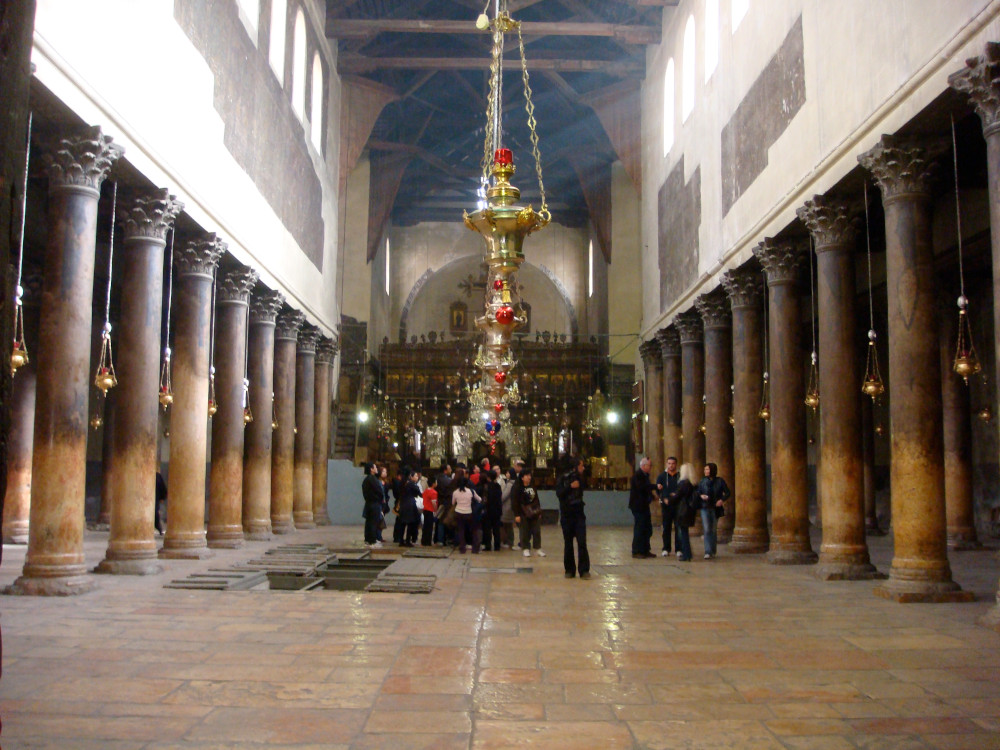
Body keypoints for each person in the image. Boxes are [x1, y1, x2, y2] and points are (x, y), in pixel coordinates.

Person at [556, 457, 590, 578]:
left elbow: (583, 487)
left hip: (579, 515)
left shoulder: (580, 478)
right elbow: (559, 494)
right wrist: (570, 486)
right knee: (568, 543)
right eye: (581, 466)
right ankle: (569, 570)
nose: (583, 468)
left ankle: (584, 569)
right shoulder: (563, 478)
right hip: (567, 515)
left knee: (582, 542)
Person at [697, 462, 731, 559]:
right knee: (707, 529)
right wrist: (701, 496)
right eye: (705, 470)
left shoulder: (720, 481)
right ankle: (707, 551)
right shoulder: (703, 481)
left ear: (712, 470)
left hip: (715, 508)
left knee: (713, 529)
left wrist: (721, 500)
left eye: (707, 469)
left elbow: (727, 492)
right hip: (705, 507)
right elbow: (698, 492)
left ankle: (712, 550)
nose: (705, 471)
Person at [629, 457, 657, 558]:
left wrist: (652, 496)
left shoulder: (645, 476)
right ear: (643, 466)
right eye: (649, 465)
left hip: (644, 505)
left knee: (647, 528)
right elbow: (642, 487)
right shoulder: (638, 475)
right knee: (639, 528)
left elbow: (646, 489)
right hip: (638, 506)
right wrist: (655, 486)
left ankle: (645, 549)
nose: (650, 468)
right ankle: (636, 551)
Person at [512, 468, 544, 558]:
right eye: (527, 475)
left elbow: (536, 498)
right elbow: (515, 502)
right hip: (523, 513)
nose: (529, 477)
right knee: (524, 531)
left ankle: (538, 548)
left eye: (530, 475)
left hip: (534, 512)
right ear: (522, 477)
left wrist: (539, 510)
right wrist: (516, 514)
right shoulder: (517, 487)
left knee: (537, 531)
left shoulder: (532, 486)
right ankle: (525, 548)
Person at [669, 463, 697, 561]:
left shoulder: (683, 483)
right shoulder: (692, 483)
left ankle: (686, 554)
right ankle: (688, 553)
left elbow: (678, 496)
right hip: (689, 510)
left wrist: (672, 497)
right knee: (685, 533)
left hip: (682, 511)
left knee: (683, 534)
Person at [451, 469, 481, 553]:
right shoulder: (471, 491)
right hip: (468, 512)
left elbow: (453, 503)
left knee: (461, 530)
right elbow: (479, 499)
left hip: (458, 512)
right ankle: (475, 548)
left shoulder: (455, 492)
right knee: (473, 530)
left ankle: (462, 548)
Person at [655, 456, 680, 557]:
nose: (671, 465)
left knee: (678, 527)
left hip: (677, 505)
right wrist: (662, 498)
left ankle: (679, 549)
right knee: (666, 527)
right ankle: (666, 548)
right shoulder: (662, 476)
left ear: (676, 464)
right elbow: (658, 489)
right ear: (666, 464)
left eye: (673, 463)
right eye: (669, 463)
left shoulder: (679, 476)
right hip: (666, 506)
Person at [361, 462, 384, 547]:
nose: (376, 469)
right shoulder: (372, 479)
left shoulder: (367, 479)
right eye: (375, 467)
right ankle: (372, 540)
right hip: (374, 503)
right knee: (373, 522)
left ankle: (368, 539)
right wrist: (380, 498)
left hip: (370, 503)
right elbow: (379, 491)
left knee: (369, 521)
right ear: (371, 469)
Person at [398, 468, 422, 547]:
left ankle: (401, 540)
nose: (417, 477)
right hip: (410, 505)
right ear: (410, 476)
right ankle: (408, 540)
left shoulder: (402, 482)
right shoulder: (411, 484)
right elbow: (418, 492)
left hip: (403, 504)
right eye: (415, 476)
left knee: (402, 523)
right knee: (411, 523)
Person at [482, 469, 503, 551]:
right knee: (496, 529)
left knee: (487, 529)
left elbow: (485, 499)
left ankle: (488, 545)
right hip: (497, 510)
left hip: (488, 510)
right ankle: (497, 545)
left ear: (488, 477)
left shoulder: (486, 486)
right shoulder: (498, 486)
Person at [500, 467, 517, 549]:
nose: (506, 474)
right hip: (510, 506)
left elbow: (504, 496)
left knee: (507, 525)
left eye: (508, 473)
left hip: (507, 507)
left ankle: (508, 542)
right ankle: (508, 541)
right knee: (508, 525)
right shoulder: (515, 483)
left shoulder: (510, 484)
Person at [421, 475, 438, 546]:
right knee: (430, 527)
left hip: (425, 510)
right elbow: (434, 503)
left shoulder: (425, 491)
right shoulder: (434, 492)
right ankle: (428, 541)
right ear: (433, 483)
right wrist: (436, 510)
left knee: (425, 526)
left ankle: (424, 540)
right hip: (430, 510)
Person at [154, 471, 167, 536]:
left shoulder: (157, 476)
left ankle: (159, 528)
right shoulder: (157, 476)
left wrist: (162, 497)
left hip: (155, 499)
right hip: (155, 499)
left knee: (155, 514)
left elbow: (162, 487)